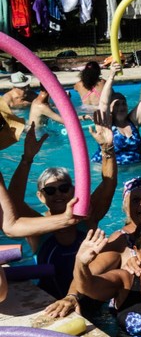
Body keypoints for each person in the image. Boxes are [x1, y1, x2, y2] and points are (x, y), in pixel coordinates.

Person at [10, 122, 116, 302]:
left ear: (73, 190)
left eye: (63, 188)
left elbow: (108, 185)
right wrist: (27, 158)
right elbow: (13, 203)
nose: (58, 193)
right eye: (50, 190)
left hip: (91, 300)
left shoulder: (87, 216)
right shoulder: (38, 226)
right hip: (51, 300)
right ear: (41, 197)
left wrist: (108, 150)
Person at [89, 63, 141, 166]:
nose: (121, 107)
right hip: (111, 169)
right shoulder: (105, 125)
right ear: (110, 108)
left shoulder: (132, 123)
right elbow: (103, 103)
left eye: (124, 103)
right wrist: (111, 76)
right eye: (117, 104)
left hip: (136, 169)